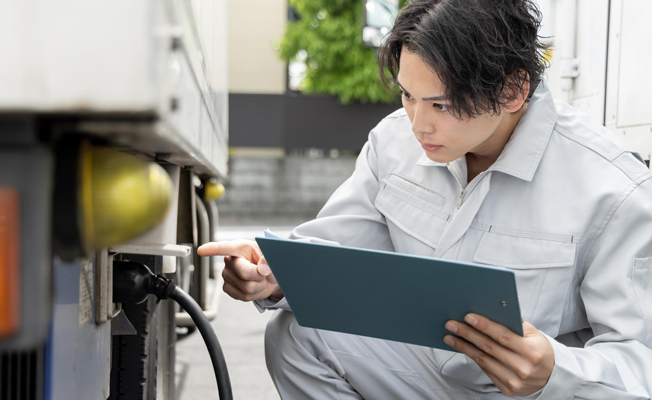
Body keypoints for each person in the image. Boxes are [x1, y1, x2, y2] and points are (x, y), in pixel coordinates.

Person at [198, 0, 652, 398]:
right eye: (407, 95)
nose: (417, 123)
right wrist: (273, 276)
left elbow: (641, 362)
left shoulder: (612, 188)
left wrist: (555, 371)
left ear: (513, 90)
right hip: (424, 372)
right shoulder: (393, 141)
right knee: (297, 335)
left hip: (528, 395)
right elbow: (335, 256)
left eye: (441, 104)